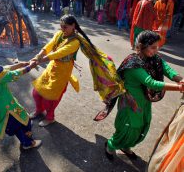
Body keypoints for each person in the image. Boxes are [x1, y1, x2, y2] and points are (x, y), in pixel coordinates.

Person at [30, 15, 124, 127]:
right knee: (36, 93)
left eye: (65, 27)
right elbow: (49, 45)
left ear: (73, 26)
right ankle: (39, 110)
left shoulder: (75, 42)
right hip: (52, 67)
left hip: (63, 72)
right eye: (61, 27)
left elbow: (58, 53)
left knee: (49, 98)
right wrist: (39, 55)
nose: (62, 29)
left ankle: (50, 118)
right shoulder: (60, 34)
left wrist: (39, 60)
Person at [105, 31, 184, 161]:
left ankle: (125, 147)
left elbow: (168, 69)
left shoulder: (154, 59)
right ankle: (110, 145)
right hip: (130, 102)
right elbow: (151, 83)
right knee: (128, 127)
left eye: (157, 47)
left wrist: (180, 80)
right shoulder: (133, 63)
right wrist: (179, 88)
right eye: (153, 47)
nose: (156, 50)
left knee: (141, 126)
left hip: (144, 100)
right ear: (141, 46)